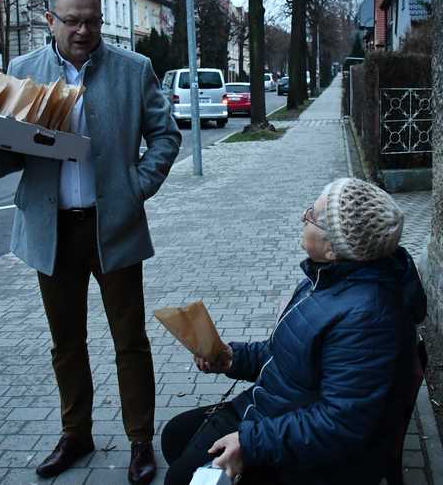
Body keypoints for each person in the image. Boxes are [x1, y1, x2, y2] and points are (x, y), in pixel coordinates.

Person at [0, 0, 181, 484]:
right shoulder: (22, 72)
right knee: (67, 343)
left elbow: (165, 136)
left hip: (113, 226)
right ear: (49, 20)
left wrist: (134, 187)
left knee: (130, 340)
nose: (83, 30)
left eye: (92, 21)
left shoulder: (132, 68)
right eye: (72, 20)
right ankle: (75, 434)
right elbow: (10, 154)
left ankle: (140, 441)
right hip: (52, 229)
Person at [161, 177, 427, 485]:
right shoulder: (329, 278)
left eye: (312, 215)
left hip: (305, 449)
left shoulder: (368, 319)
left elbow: (339, 424)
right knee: (174, 436)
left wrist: (249, 442)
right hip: (278, 409)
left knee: (181, 479)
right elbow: (291, 353)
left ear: (332, 248)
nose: (303, 216)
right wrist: (231, 358)